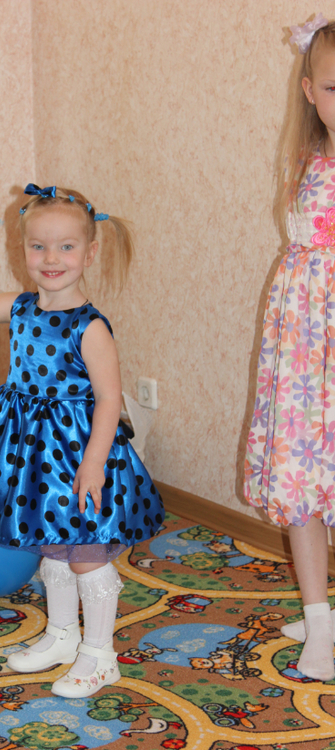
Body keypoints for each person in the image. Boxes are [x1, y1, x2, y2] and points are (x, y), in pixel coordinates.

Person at [0, 183, 164, 697]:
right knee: (52, 546)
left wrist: (94, 464)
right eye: (38, 246)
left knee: (86, 552)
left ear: (90, 253)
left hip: (76, 453)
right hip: (30, 454)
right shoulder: (20, 307)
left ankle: (100, 655)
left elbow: (109, 400)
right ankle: (63, 635)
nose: (51, 258)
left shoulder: (90, 327)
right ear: (21, 250)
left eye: (66, 246)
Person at [244, 14, 335, 681]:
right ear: (309, 90)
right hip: (302, 349)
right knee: (300, 481)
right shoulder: (304, 161)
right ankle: (318, 618)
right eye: (334, 88)